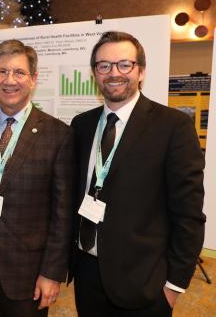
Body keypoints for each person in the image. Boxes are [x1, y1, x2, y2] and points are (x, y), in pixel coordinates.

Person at [70, 31, 205, 316]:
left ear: (141, 71)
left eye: (124, 64)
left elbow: (189, 214)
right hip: (87, 273)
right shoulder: (81, 125)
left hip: (144, 282)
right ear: (95, 73)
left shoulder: (173, 127)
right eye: (104, 65)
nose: (113, 73)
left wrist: (174, 285)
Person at [0, 39, 74, 317]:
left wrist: (52, 273)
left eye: (19, 72)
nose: (10, 80)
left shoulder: (58, 134)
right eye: (2, 71)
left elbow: (62, 215)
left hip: (28, 273)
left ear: (33, 79)